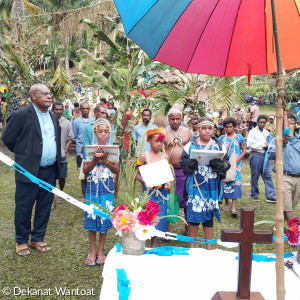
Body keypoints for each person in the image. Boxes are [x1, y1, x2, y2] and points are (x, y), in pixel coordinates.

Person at [2, 84, 61, 256]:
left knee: (44, 206)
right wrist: (25, 155)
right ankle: (21, 240)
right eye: (44, 94)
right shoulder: (20, 115)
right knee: (24, 206)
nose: (49, 96)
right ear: (33, 96)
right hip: (28, 170)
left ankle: (37, 238)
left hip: (49, 170)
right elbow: (8, 139)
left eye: (50, 93)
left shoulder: (53, 118)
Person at [179, 117, 229, 249]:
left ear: (214, 129)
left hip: (212, 187)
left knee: (208, 215)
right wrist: (189, 164)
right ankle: (192, 245)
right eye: (204, 128)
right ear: (198, 129)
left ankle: (209, 246)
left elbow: (227, 164)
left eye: (210, 128)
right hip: (195, 186)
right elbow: (182, 163)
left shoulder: (220, 146)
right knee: (193, 216)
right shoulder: (190, 146)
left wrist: (221, 165)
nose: (207, 131)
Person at [82, 118, 119, 266]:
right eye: (100, 131)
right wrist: (94, 161)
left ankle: (101, 250)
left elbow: (116, 170)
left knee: (104, 218)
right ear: (95, 133)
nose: (103, 134)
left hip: (107, 188)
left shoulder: (113, 149)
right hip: (92, 188)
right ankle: (92, 250)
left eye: (106, 131)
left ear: (109, 133)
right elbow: (85, 170)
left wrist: (105, 160)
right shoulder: (89, 149)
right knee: (92, 217)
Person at [136, 128, 171, 247]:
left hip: (161, 195)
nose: (159, 144)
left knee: (159, 220)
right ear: (149, 141)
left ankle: (154, 244)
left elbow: (167, 175)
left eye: (161, 142)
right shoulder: (144, 157)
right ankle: (145, 244)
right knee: (147, 219)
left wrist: (168, 183)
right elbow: (136, 174)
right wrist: (144, 181)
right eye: (156, 141)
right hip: (149, 194)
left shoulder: (165, 157)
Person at [268, 113, 300, 223]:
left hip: (298, 178)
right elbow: (271, 155)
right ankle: (295, 232)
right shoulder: (276, 140)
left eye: (292, 122)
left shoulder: (299, 140)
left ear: (295, 125)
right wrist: (282, 143)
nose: (289, 124)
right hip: (284, 176)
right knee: (287, 207)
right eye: (287, 123)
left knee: (290, 205)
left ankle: (279, 227)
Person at [164, 108, 192, 226]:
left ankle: (187, 226)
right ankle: (167, 228)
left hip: (184, 169)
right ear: (168, 119)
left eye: (177, 119)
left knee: (187, 197)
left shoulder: (187, 131)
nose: (175, 121)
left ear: (181, 119)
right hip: (168, 170)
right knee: (169, 198)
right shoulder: (163, 132)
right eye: (172, 119)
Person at [219, 118, 246, 216]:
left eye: (230, 127)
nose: (228, 129)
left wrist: (236, 161)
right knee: (225, 182)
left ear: (234, 127)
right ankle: (226, 202)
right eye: (226, 127)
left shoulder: (239, 137)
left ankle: (234, 206)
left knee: (235, 183)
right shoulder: (221, 138)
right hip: (224, 164)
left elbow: (244, 150)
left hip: (236, 165)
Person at [247, 115, 276, 203]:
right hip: (256, 155)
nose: (262, 124)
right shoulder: (252, 132)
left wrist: (268, 146)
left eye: (264, 122)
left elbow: (271, 143)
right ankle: (254, 195)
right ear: (257, 122)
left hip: (265, 156)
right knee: (255, 175)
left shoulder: (266, 133)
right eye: (260, 122)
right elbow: (250, 144)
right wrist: (263, 146)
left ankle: (270, 196)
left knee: (267, 175)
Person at [51, 102, 73, 209]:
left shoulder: (67, 123)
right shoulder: (49, 121)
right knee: (51, 176)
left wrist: (64, 151)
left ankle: (61, 193)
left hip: (63, 155)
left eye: (60, 110)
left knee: (62, 176)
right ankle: (52, 199)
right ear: (53, 109)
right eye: (56, 109)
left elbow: (70, 138)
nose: (59, 111)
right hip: (50, 155)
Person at [73, 102, 95, 197]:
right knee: (83, 175)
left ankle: (92, 193)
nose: (85, 110)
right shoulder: (76, 122)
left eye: (87, 108)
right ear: (80, 110)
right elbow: (75, 135)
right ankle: (84, 195)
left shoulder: (93, 121)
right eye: (83, 109)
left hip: (92, 151)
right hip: (81, 152)